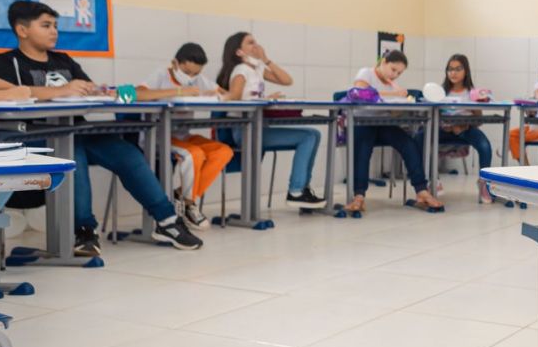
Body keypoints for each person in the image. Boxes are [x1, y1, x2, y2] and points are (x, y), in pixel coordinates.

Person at [0, 0, 203, 254]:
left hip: (78, 130)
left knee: (127, 153)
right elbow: (12, 95)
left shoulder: (63, 60)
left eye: (56, 26)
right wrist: (61, 90)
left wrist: (95, 90)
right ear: (22, 30)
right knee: (72, 151)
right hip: (34, 137)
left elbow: (87, 89)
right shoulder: (6, 63)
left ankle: (167, 221)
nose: (54, 31)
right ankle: (84, 231)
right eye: (46, 25)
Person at [216, 32, 324, 209]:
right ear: (239, 52)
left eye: (256, 42)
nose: (256, 45)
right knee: (309, 136)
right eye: (250, 43)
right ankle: (296, 192)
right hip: (245, 131)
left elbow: (287, 80)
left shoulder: (257, 69)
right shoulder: (241, 71)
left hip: (258, 129)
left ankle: (302, 189)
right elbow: (235, 97)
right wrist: (264, 99)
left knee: (313, 133)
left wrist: (266, 60)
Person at [135, 42, 232, 227]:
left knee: (223, 152)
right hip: (158, 136)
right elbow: (136, 94)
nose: (191, 78)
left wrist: (217, 96)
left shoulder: (198, 79)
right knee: (194, 154)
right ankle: (189, 205)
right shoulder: (161, 74)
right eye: (187, 72)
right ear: (175, 63)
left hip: (182, 135)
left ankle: (182, 195)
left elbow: (225, 94)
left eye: (196, 73)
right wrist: (179, 91)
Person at [344, 50, 443, 215]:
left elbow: (391, 111)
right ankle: (359, 196)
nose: (395, 75)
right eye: (393, 69)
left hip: (383, 124)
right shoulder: (366, 73)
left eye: (399, 73)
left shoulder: (391, 84)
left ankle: (421, 191)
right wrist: (394, 94)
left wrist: (403, 105)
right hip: (362, 122)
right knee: (363, 149)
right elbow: (360, 93)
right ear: (383, 62)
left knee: (409, 144)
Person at [440, 54, 495, 203]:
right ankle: (431, 180)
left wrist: (465, 124)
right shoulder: (441, 92)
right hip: (444, 130)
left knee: (484, 145)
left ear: (466, 71)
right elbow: (434, 115)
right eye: (450, 69)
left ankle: (484, 183)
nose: (453, 73)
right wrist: (449, 126)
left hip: (466, 130)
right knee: (422, 137)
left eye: (458, 69)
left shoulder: (472, 93)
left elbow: (479, 120)